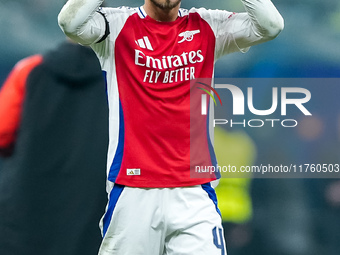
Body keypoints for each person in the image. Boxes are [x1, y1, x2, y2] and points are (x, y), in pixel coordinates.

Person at [58, 0, 284, 254]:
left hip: (194, 192)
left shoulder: (208, 25)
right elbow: (70, 23)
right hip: (133, 192)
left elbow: (270, 26)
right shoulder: (117, 25)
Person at [0, 40, 109, 255]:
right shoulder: (125, 78)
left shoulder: (31, 68)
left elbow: (3, 132)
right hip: (92, 216)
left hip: (25, 213)